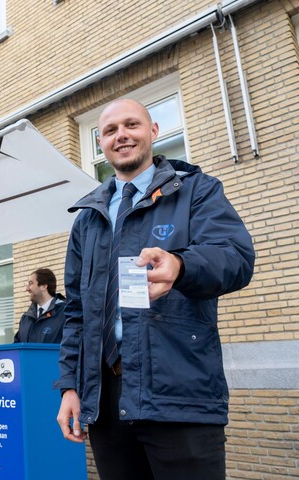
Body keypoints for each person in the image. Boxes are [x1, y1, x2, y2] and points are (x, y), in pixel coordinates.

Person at [55, 98, 255, 480]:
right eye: (110, 130)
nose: (122, 135)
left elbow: (236, 258)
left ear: (153, 131)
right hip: (106, 400)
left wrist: (182, 265)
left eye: (131, 124)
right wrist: (69, 387)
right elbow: (77, 313)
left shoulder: (197, 191)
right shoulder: (87, 220)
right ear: (101, 143)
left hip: (177, 393)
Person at [14, 268, 66, 343]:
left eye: (31, 283)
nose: (27, 288)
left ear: (44, 286)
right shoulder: (25, 319)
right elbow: (17, 349)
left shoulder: (65, 314)